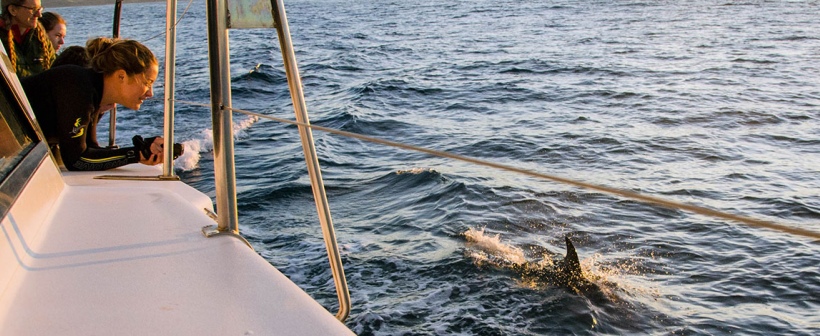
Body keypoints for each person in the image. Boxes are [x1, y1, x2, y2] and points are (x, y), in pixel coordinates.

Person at [21, 37, 168, 171]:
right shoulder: (78, 88)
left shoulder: (91, 92)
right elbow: (77, 160)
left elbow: (90, 149)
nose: (150, 93)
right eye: (147, 83)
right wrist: (136, 154)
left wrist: (142, 151)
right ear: (121, 76)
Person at [0, 0, 54, 77]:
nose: (39, 15)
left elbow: (53, 65)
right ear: (13, 10)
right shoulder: (2, 40)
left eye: (40, 9)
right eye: (33, 9)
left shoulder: (39, 36)